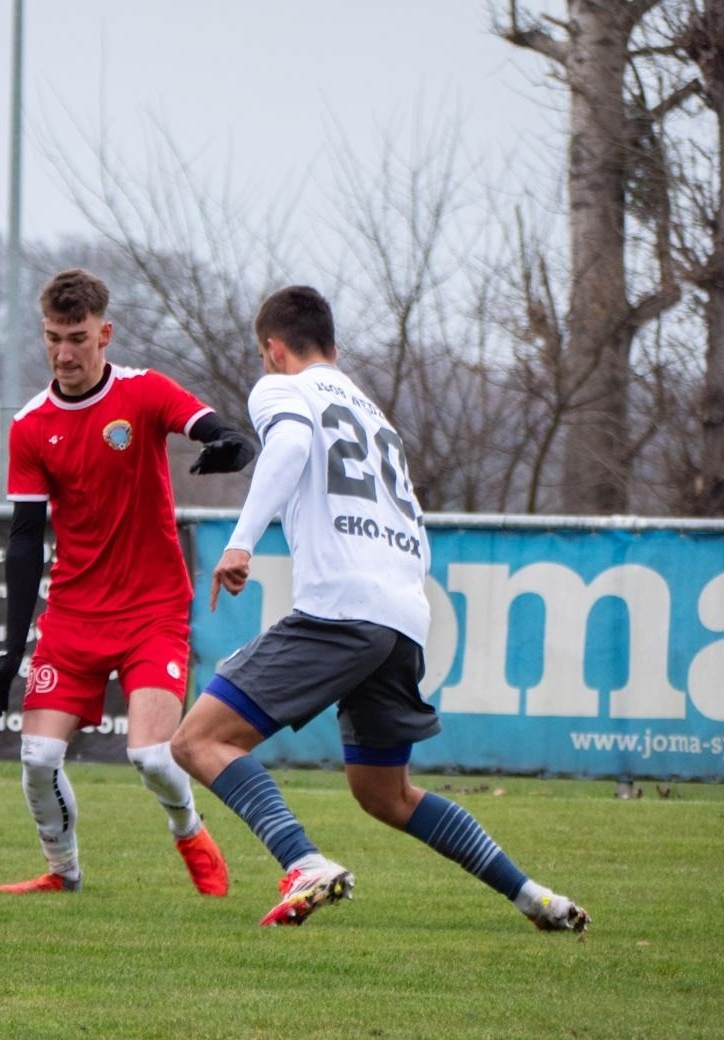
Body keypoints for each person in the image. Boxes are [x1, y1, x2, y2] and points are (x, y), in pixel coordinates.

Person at [169, 285, 591, 932]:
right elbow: (410, 520)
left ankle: (302, 860)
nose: (264, 366)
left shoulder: (282, 388)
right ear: (333, 348)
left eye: (264, 355)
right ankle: (533, 895)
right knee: (383, 794)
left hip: (343, 608)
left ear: (274, 349)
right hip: (402, 615)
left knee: (197, 739)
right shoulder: (374, 415)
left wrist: (241, 542)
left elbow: (286, 450)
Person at [0, 267, 255, 896]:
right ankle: (63, 873)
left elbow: (215, 429)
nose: (64, 352)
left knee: (152, 756)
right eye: (53, 337)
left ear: (105, 333)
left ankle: (190, 832)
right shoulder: (29, 425)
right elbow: (25, 540)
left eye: (77, 337)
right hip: (74, 616)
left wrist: (231, 443)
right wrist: (9, 648)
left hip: (153, 609)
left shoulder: (144, 393)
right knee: (37, 759)